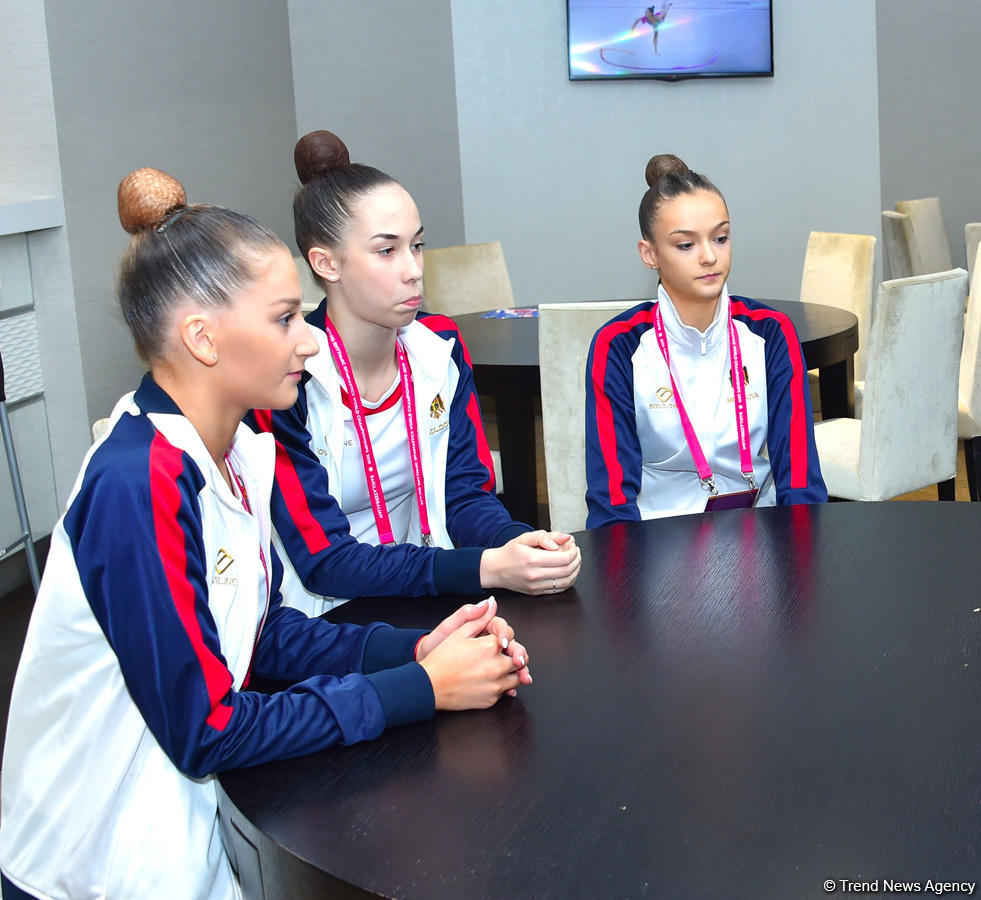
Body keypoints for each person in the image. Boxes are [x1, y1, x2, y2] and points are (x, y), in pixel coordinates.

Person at [0, 168, 531, 900]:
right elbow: (206, 728)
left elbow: (265, 634)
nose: (310, 342)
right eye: (285, 319)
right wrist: (417, 689)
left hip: (194, 841)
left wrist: (413, 648)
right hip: (98, 863)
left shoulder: (242, 449)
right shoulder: (139, 481)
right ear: (202, 338)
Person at [250, 129, 580, 616]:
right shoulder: (284, 379)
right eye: (387, 251)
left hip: (426, 592)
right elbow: (323, 560)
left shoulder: (438, 346)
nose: (413, 270)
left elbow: (464, 492)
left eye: (418, 246)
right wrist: (486, 568)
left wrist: (519, 543)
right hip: (320, 623)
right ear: (326, 263)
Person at [585, 154, 827, 526]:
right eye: (686, 245)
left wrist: (801, 565)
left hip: (760, 542)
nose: (710, 256)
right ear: (649, 254)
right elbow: (613, 504)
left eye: (721, 237)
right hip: (655, 546)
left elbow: (800, 482)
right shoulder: (619, 346)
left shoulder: (769, 333)